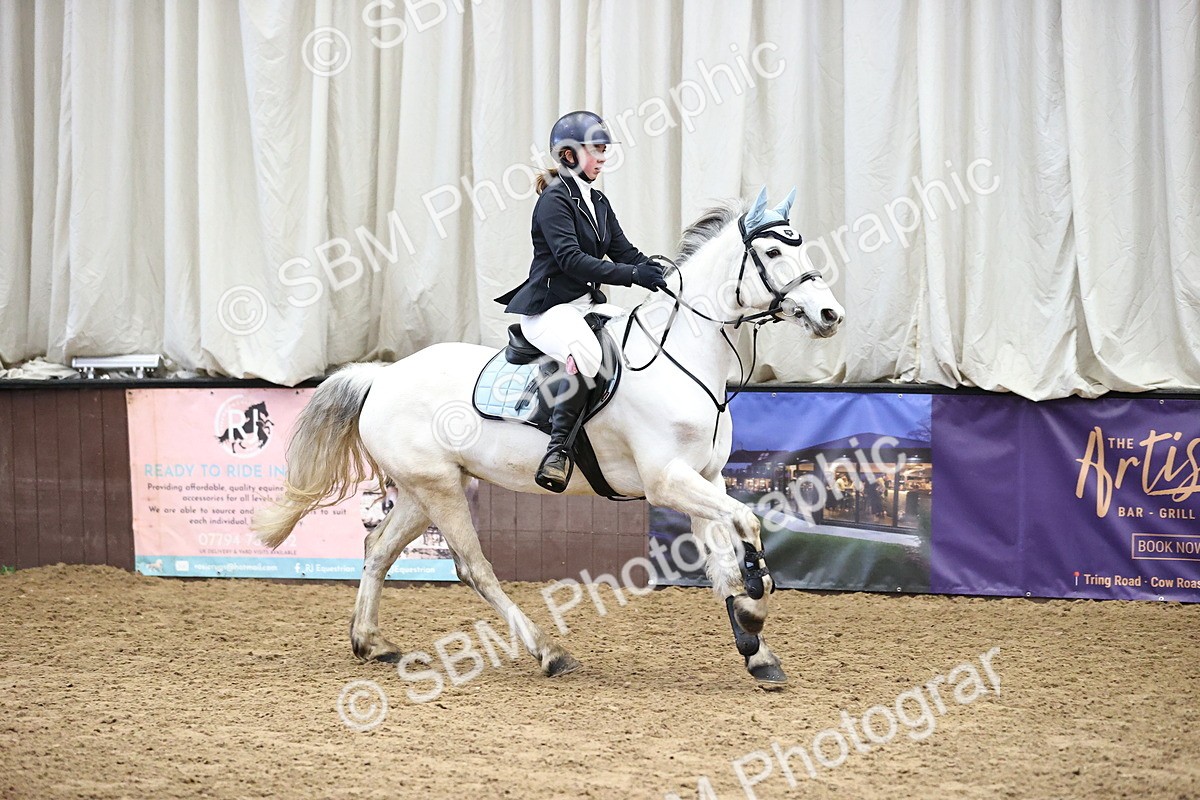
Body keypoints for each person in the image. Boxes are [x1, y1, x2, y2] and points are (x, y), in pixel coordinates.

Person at [494, 110, 668, 493]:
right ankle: (558, 451)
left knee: (634, 336)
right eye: (597, 149)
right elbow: (571, 258)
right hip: (549, 310)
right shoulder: (554, 201)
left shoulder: (598, 201)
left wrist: (663, 275)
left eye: (605, 149)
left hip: (587, 304)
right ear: (569, 155)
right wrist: (634, 276)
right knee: (587, 354)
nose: (604, 156)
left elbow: (624, 251)